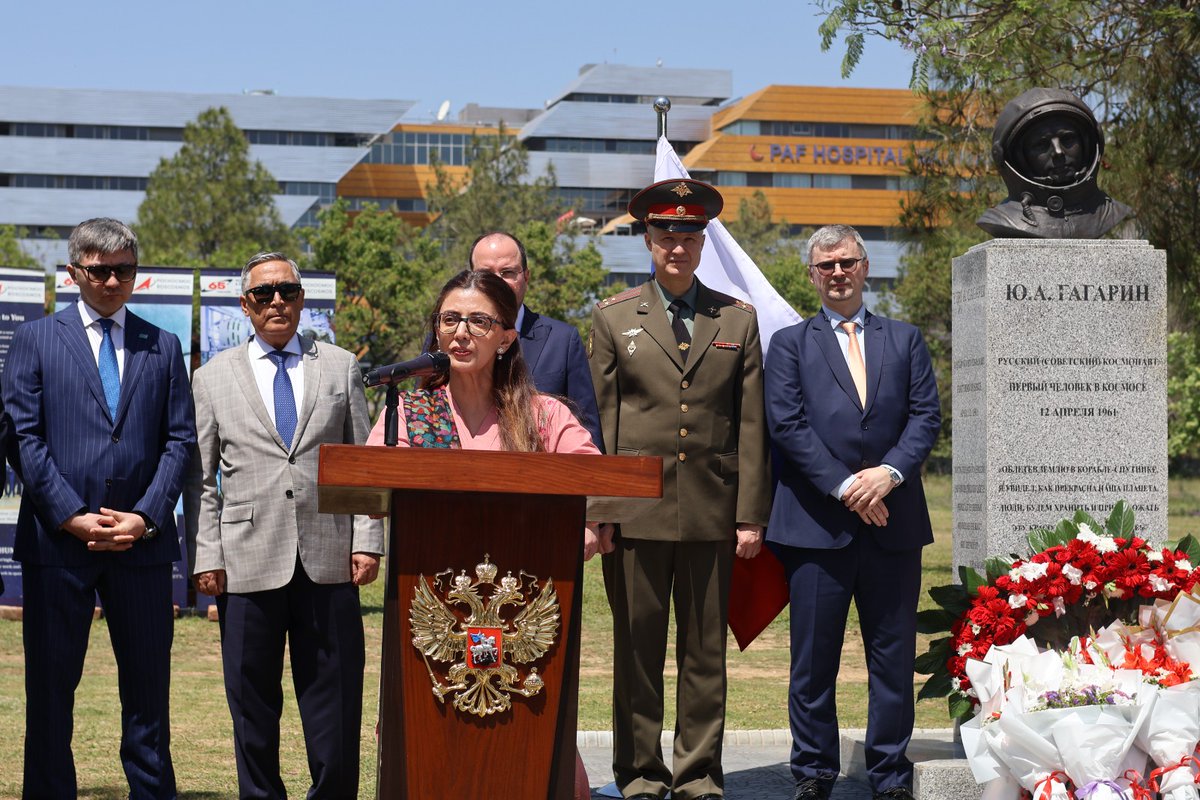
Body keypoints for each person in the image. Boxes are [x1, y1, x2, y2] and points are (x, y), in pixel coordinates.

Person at [366, 268, 607, 799]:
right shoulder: (409, 413)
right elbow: (369, 488)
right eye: (450, 319)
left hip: (524, 615)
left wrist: (587, 532)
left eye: (479, 320)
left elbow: (597, 485)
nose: (461, 332)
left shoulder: (544, 416)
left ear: (506, 336)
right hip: (432, 611)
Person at [588, 179, 771, 800]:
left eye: (690, 236)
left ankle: (697, 776)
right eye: (667, 235)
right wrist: (601, 512)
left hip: (712, 512)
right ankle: (640, 774)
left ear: (702, 242)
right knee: (636, 653)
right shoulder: (614, 318)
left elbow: (750, 424)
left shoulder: (735, 319)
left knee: (704, 656)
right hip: (636, 511)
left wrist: (750, 516)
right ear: (648, 240)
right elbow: (603, 424)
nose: (678, 246)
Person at [3, 217, 195, 798]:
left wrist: (145, 517)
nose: (112, 281)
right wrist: (69, 513)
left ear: (137, 275)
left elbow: (180, 441)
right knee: (51, 693)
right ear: (73, 273)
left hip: (142, 546)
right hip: (58, 545)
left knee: (147, 695)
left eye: (124, 270)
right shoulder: (36, 340)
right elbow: (20, 437)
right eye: (99, 270)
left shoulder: (162, 345)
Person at [187, 251, 384, 799]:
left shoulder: (340, 366)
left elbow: (362, 460)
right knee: (251, 703)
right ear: (245, 305)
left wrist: (368, 539)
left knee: (336, 699)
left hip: (330, 557)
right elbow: (200, 479)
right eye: (264, 293)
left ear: (302, 299)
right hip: (246, 560)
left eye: (288, 292)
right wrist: (207, 555)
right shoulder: (210, 378)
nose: (277, 301)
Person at [763, 225, 941, 800]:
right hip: (817, 529)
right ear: (812, 276)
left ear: (865, 267)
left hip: (894, 526)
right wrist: (846, 488)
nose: (837, 273)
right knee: (813, 663)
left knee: (891, 661)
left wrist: (887, 475)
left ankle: (889, 774)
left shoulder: (907, 339)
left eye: (846, 262)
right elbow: (787, 426)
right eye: (825, 266)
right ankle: (814, 771)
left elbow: (924, 419)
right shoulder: (789, 344)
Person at [469, 231, 603, 448]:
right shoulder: (449, 341)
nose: (497, 283)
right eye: (486, 273)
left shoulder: (563, 341)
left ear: (526, 277)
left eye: (508, 272)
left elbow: (586, 430)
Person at [976, 87, 1132, 239]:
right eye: (1041, 145)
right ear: (1018, 158)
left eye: (1068, 139)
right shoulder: (1002, 219)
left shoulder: (1107, 212)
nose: (1058, 152)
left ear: (1089, 144)